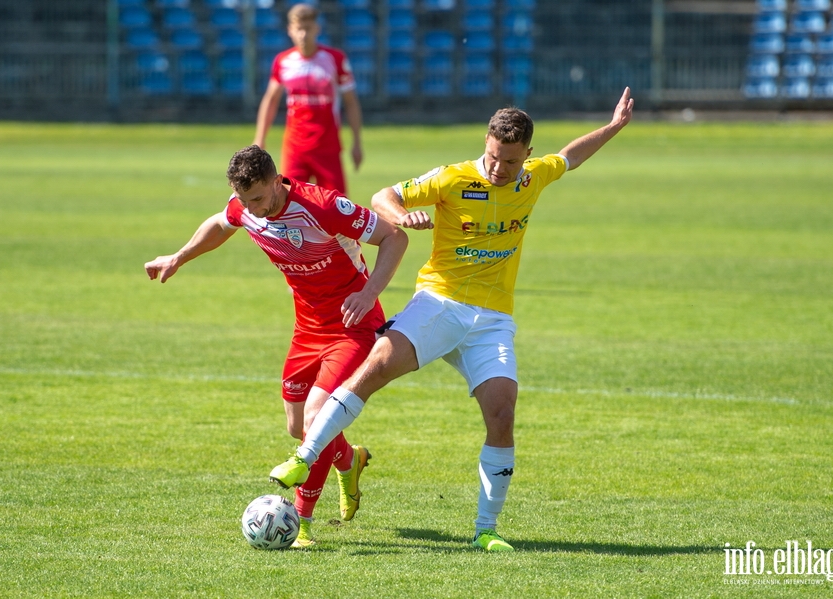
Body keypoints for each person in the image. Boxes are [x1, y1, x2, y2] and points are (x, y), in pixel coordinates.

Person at [268, 88, 635, 552]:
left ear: (528, 156)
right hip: (439, 302)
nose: (499, 169)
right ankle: (304, 456)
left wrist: (614, 127)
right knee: (376, 365)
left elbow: (569, 157)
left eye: (510, 161)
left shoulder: (533, 178)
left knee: (502, 415)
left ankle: (487, 530)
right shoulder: (453, 178)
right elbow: (384, 196)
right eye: (493, 157)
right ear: (486, 142)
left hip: (493, 319)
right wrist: (404, 215)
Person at [144, 145, 408, 548]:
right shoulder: (244, 207)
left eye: (260, 198)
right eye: (246, 200)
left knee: (315, 420)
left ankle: (299, 523)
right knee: (296, 425)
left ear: (276, 180)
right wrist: (179, 257)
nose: (254, 209)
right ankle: (349, 460)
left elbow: (394, 237)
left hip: (352, 325)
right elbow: (221, 223)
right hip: (307, 329)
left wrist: (370, 293)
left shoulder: (323, 206)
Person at [252, 3, 363, 196]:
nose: (303, 35)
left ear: (316, 29)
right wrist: (260, 138)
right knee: (288, 203)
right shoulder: (283, 61)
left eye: (307, 29)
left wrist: (357, 142)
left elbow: (351, 102)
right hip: (295, 147)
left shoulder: (334, 59)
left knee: (337, 206)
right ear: (290, 31)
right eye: (298, 29)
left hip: (327, 146)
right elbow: (271, 100)